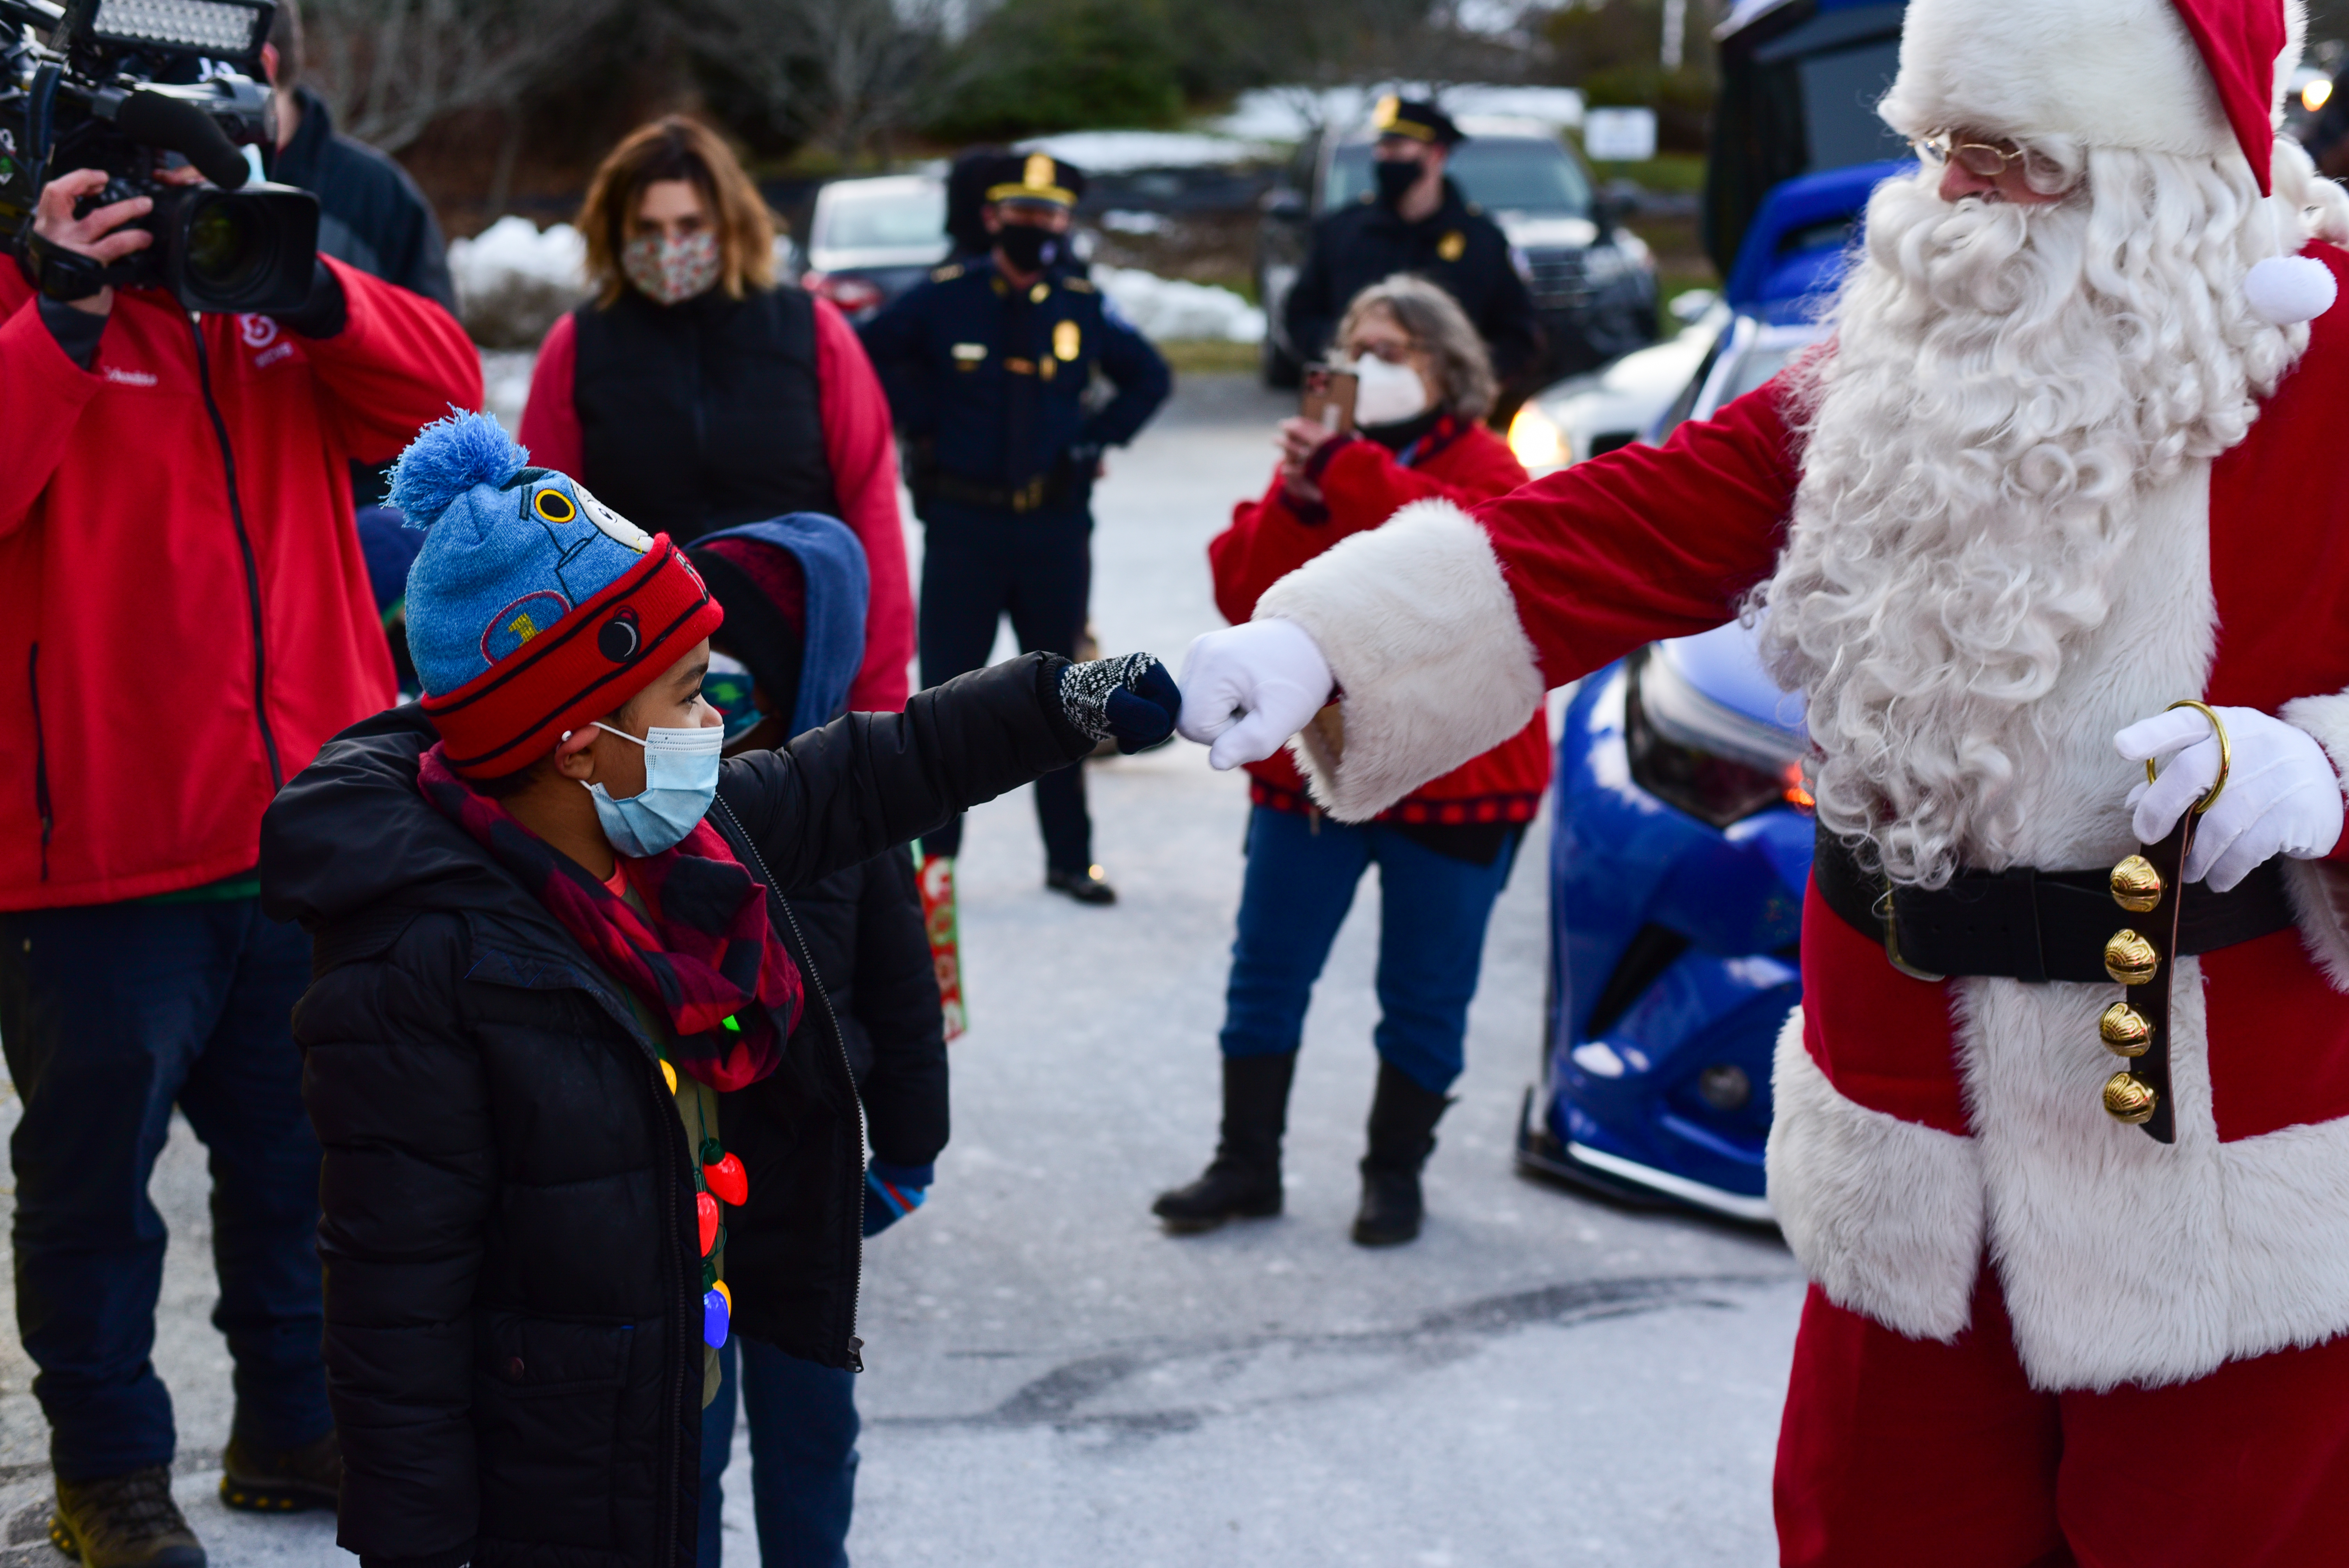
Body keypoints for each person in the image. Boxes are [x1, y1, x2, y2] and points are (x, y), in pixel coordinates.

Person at [1179, 0, 2349, 1559]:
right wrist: (1328, 642)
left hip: (2217, 1155)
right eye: (1947, 151)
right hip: (1909, 1131)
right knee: (1872, 1523)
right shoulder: (1907, 356)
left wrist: (2321, 762)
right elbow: (1645, 515)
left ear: (2157, 164)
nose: (1963, 203)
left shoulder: (2319, 356)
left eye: (2013, 159)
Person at [258, 411, 1178, 1568]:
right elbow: (395, 1300)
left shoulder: (687, 839)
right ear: (574, 741)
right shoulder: (419, 961)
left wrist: (1061, 703)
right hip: (550, 1467)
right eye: (690, 696)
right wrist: (416, 1541)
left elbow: (874, 768)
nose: (718, 725)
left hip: (676, 1375)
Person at [0, 149, 479, 1559]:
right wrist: (62, 318)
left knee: (307, 1164)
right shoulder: (29, 298)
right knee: (93, 1194)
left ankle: (289, 1419)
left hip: (301, 835)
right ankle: (109, 1471)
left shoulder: (265, 287)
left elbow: (448, 409)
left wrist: (306, 283)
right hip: (92, 847)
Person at [1155, 276, 1546, 1247]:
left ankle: (1392, 1172)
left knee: (1423, 995)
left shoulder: (1482, 459)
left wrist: (1349, 469)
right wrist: (1296, 496)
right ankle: (1245, 1161)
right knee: (1267, 975)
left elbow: (1472, 562)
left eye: (1392, 352)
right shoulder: (1324, 458)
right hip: (1312, 778)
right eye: (1356, 348)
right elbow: (1242, 589)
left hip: (1458, 784)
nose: (1366, 368)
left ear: (1444, 370)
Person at [683, 516, 948, 1566]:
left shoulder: (855, 823)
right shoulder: (640, 818)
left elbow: (906, 1001)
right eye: (693, 683)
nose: (712, 719)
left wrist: (912, 1154)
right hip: (679, 1204)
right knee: (684, 1436)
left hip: (809, 1192)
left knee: (811, 1425)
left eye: (739, 694)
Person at [519, 116, 916, 715]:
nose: (670, 245)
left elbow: (874, 519)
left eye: (690, 225)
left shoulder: (814, 334)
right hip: (642, 688)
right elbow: (540, 540)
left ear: (729, 226)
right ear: (614, 232)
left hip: (801, 683)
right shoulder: (577, 348)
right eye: (648, 228)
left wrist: (879, 704)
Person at [860, 152, 1172, 904]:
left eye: (1051, 216)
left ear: (1065, 223)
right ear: (995, 217)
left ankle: (1070, 859)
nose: (1037, 227)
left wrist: (1098, 438)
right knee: (942, 702)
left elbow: (1150, 377)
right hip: (964, 528)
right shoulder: (944, 298)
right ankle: (936, 867)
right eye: (1022, 214)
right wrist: (924, 417)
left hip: (1053, 531)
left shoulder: (1081, 303)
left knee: (1065, 693)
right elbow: (867, 353)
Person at [1282, 97, 1543, 396]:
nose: (1384, 157)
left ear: (1436, 153)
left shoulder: (1482, 239)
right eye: (1381, 148)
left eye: (1397, 148)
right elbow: (1301, 315)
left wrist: (1466, 375)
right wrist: (1346, 353)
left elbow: (1518, 332)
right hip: (1351, 396)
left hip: (1446, 403)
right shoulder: (1343, 230)